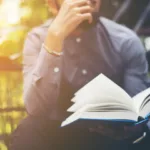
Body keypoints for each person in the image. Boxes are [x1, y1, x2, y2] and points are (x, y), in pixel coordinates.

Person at [9, 0, 150, 150]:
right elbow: (35, 109)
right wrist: (55, 38)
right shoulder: (38, 39)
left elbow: (139, 114)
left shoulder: (125, 41)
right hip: (56, 135)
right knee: (28, 129)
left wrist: (128, 126)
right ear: (52, 5)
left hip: (109, 137)